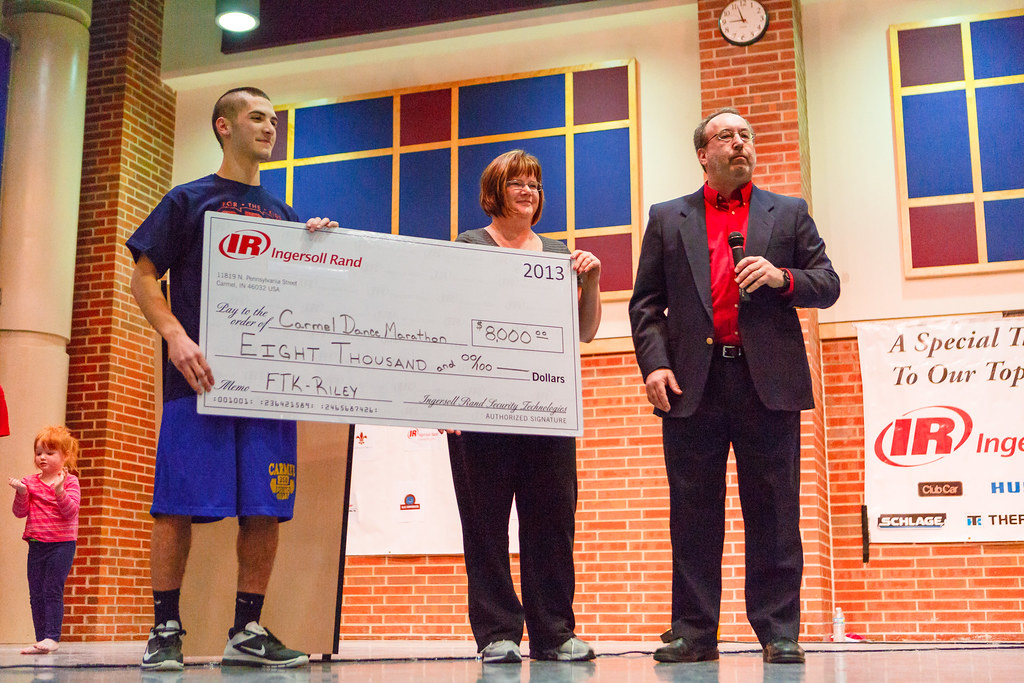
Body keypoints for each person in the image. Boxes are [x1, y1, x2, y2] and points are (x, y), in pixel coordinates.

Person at [126, 86, 337, 671]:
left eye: (274, 119)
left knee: (265, 507)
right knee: (175, 504)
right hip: (199, 382)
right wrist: (175, 336)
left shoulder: (285, 215)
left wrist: (313, 244)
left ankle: (247, 631)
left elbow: (306, 294)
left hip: (266, 387)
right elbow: (144, 279)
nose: (270, 128)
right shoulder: (187, 201)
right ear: (223, 126)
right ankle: (165, 627)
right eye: (256, 118)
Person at [629, 108, 839, 665]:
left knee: (773, 509)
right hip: (692, 383)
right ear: (703, 154)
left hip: (766, 381)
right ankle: (693, 632)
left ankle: (778, 630)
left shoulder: (788, 213)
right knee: (693, 511)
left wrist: (781, 277)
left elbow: (828, 284)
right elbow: (646, 304)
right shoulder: (669, 217)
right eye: (726, 136)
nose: (740, 143)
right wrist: (653, 365)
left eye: (746, 135)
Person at [447, 150, 601, 664]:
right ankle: (497, 633)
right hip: (479, 412)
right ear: (495, 190)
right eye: (518, 182)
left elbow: (584, 332)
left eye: (535, 183)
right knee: (485, 524)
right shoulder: (468, 247)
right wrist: (447, 399)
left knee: (553, 521)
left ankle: (554, 633)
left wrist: (592, 281)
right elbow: (445, 324)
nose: (529, 191)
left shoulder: (559, 255)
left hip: (546, 412)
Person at [8, 425, 82, 655]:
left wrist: (59, 491)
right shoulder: (30, 482)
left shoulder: (70, 482)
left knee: (52, 589)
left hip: (61, 544)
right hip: (37, 543)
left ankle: (52, 637)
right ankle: (41, 639)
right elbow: (19, 512)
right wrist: (21, 493)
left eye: (50, 453)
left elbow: (70, 512)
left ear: (65, 457)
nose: (42, 457)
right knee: (36, 593)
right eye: (39, 452)